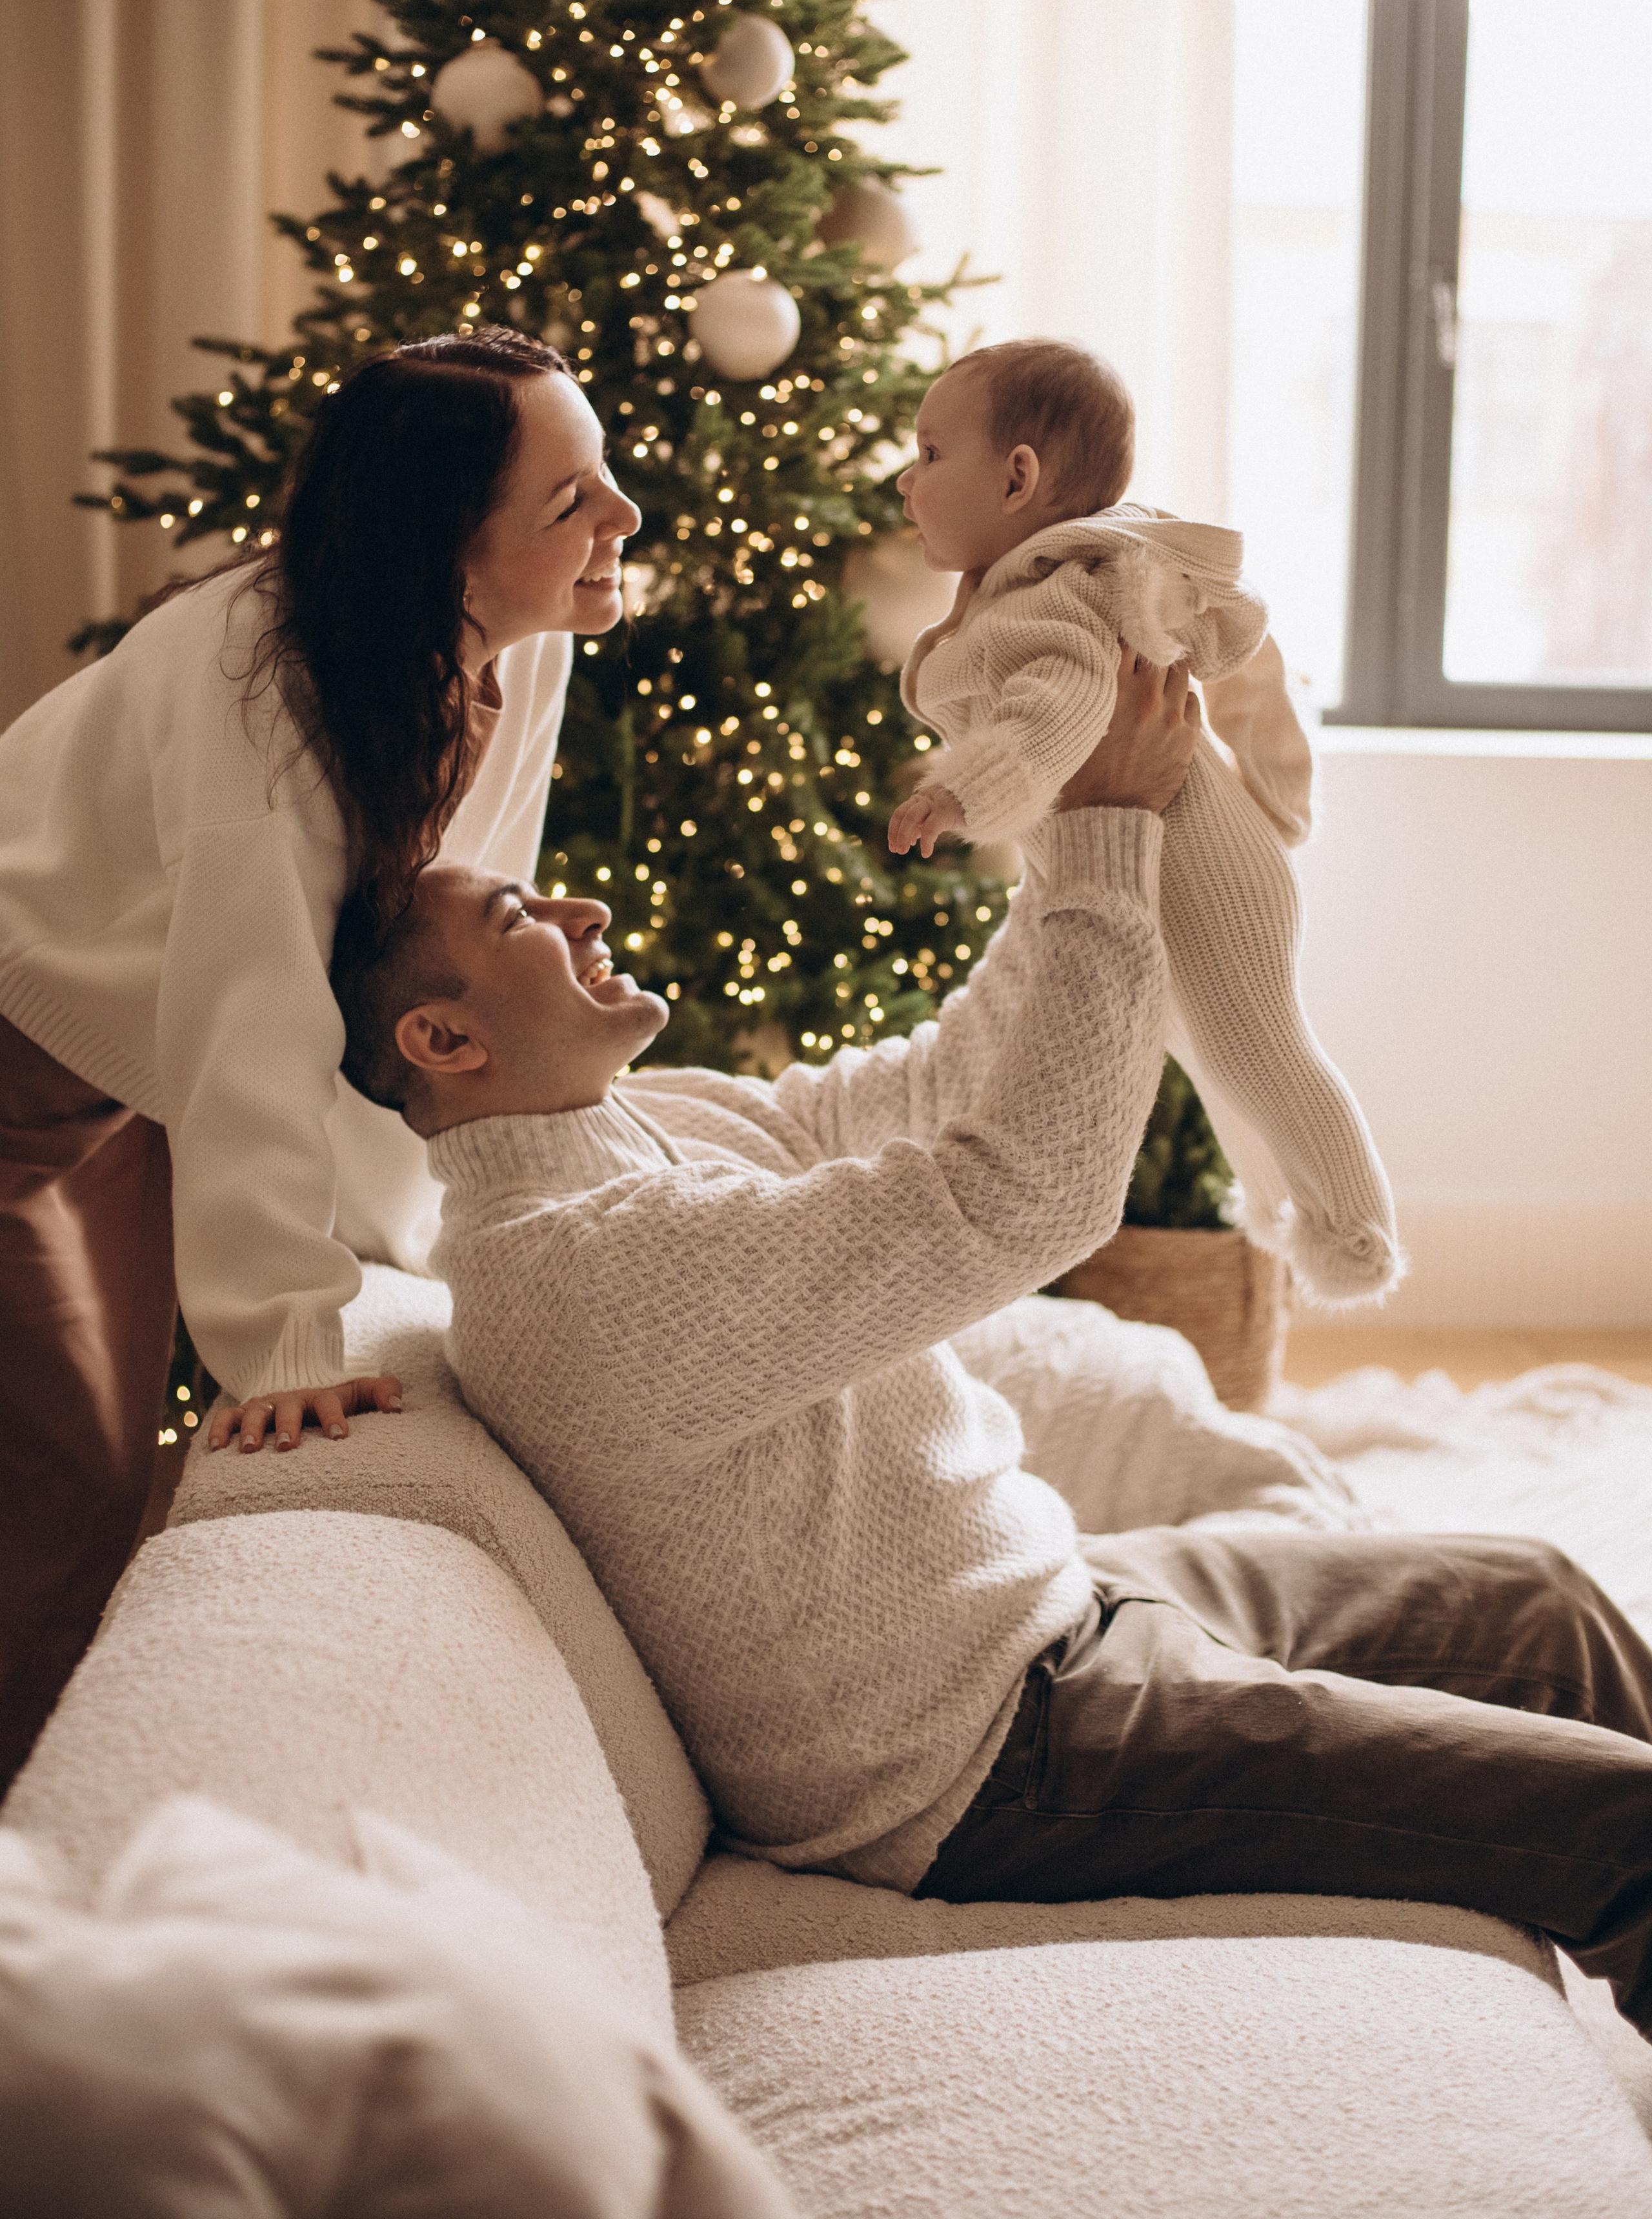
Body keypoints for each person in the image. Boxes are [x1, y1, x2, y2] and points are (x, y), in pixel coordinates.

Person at [247, 661, 1652, 2042]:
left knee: (1536, 1599)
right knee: (1619, 1830)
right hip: (996, 1761)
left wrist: (1076, 828)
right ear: (443, 1037)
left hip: (1059, 1607)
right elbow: (1027, 1193)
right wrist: (1103, 834)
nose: (581, 903)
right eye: (519, 917)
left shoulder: (643, 1121)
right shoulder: (578, 1274)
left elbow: (940, 1082)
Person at [0, 326, 639, 1789]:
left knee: (89, 1506)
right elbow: (253, 1015)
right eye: (571, 501)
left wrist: (437, 1232)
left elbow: (447, 945)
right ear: (446, 551)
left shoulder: (508, 647)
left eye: (604, 477)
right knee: (63, 1490)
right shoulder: (264, 687)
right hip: (22, 1064)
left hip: (114, 1076)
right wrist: (286, 1332)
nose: (621, 521)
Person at [888, 339, 1400, 1309]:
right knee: (1206, 1058)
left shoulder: (1057, 601)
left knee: (1258, 1049)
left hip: (1203, 873)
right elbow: (1233, 678)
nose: (908, 481)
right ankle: (1277, 1205)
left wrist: (965, 794)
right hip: (1147, 869)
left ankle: (1355, 1230)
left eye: (929, 454)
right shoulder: (1042, 588)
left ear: (1018, 477)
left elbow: (1059, 712)